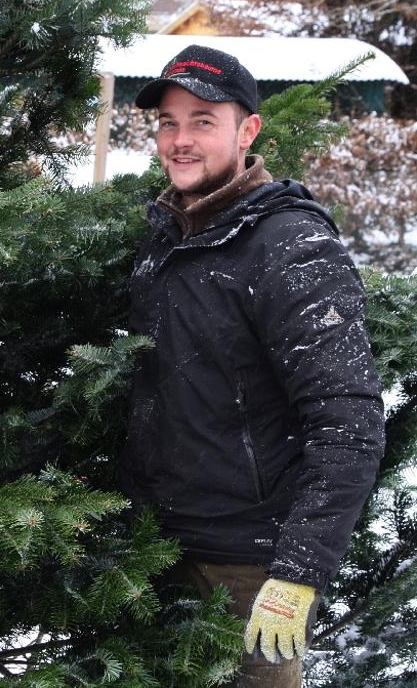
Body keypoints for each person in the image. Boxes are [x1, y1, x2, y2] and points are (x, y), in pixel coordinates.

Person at [121, 44, 384, 688]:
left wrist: (297, 572)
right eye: (167, 122)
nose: (180, 140)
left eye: (203, 121)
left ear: (248, 131)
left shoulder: (291, 248)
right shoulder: (170, 235)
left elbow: (348, 422)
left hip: (248, 573)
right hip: (154, 552)